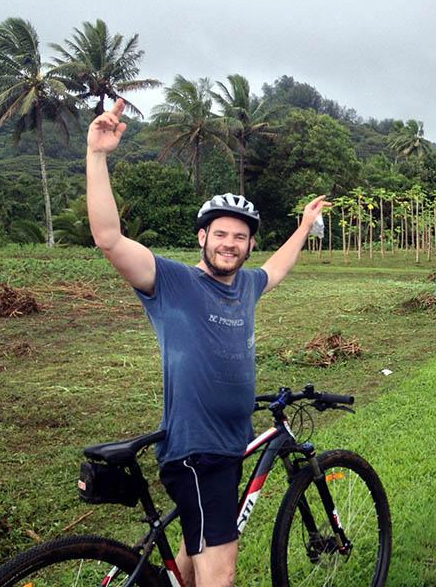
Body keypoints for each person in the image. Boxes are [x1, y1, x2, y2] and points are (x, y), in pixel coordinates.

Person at [86, 98, 329, 587]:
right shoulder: (171, 282)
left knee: (194, 556)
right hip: (197, 453)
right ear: (202, 237)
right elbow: (109, 238)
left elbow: (277, 269)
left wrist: (304, 226)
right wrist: (97, 155)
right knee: (222, 573)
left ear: (248, 245)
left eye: (240, 238)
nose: (230, 244)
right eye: (221, 235)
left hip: (228, 446)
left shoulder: (245, 285)